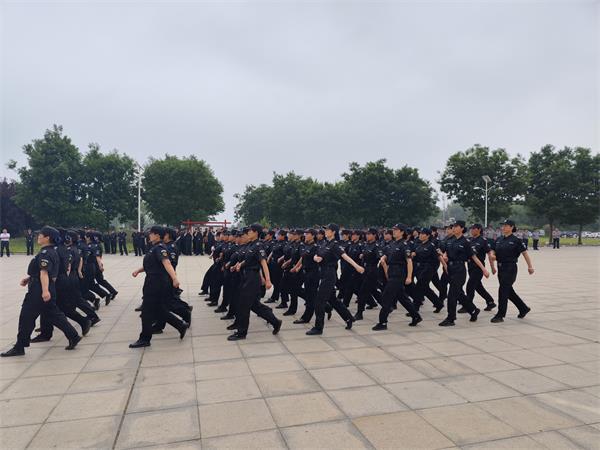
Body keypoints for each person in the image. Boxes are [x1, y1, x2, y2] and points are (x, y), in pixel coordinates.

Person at [1, 226, 81, 357]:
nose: (38, 237)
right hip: (45, 286)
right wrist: (29, 278)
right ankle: (73, 335)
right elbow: (45, 272)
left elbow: (44, 273)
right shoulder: (51, 251)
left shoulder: (45, 253)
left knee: (26, 316)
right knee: (54, 314)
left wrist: (44, 291)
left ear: (47, 238)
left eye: (41, 235)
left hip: (39, 290)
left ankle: (20, 347)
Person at [129, 226, 189, 348]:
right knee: (158, 309)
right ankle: (180, 325)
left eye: (151, 233)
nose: (149, 235)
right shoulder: (154, 248)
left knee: (146, 311)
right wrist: (138, 270)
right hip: (153, 281)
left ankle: (145, 338)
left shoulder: (160, 248)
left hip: (156, 283)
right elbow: (152, 264)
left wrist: (174, 278)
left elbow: (167, 263)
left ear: (157, 235)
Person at [226, 224, 282, 341]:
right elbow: (248, 260)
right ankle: (275, 321)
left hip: (252, 278)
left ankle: (241, 333)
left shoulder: (258, 245)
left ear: (256, 232)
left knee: (243, 305)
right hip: (245, 276)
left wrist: (268, 280)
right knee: (254, 305)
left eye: (250, 231)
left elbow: (263, 263)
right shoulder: (250, 245)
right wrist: (238, 265)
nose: (248, 233)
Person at [306, 223, 364, 336]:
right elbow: (317, 255)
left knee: (319, 302)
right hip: (322, 273)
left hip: (329, 274)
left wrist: (357, 266)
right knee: (333, 300)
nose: (325, 231)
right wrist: (315, 258)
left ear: (333, 232)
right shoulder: (324, 243)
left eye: (327, 230)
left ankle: (318, 328)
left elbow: (345, 256)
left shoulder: (335, 245)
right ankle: (349, 318)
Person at [372, 224, 422, 330]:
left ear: (402, 232)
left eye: (396, 230)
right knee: (402, 297)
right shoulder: (393, 244)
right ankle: (416, 316)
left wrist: (409, 277)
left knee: (386, 297)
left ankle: (383, 322)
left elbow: (409, 261)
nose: (394, 231)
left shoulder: (404, 245)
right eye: (393, 230)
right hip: (391, 272)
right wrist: (383, 258)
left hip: (399, 274)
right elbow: (386, 254)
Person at [438, 220, 486, 327]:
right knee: (459, 294)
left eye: (456, 226)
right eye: (453, 227)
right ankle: (473, 310)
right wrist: (444, 257)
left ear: (462, 229)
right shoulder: (450, 241)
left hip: (459, 270)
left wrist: (484, 269)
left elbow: (473, 257)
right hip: (450, 269)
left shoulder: (466, 242)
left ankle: (451, 318)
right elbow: (445, 253)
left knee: (452, 295)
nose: (454, 228)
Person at [489, 219, 534, 323]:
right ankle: (523, 308)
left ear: (512, 227)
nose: (503, 227)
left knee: (503, 290)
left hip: (510, 268)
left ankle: (500, 315)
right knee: (508, 291)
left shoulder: (516, 240)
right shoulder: (499, 239)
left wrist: (530, 266)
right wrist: (492, 255)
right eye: (503, 225)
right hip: (500, 267)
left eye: (506, 225)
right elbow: (493, 249)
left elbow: (524, 253)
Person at [464, 224, 496, 312]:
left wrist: (492, 267)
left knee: (470, 285)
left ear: (479, 230)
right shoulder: (469, 240)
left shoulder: (483, 241)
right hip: (470, 266)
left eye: (473, 229)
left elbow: (489, 254)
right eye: (471, 229)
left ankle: (468, 305)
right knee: (478, 287)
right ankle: (490, 301)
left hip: (478, 267)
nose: (471, 230)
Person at [412, 227, 444, 313]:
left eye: (423, 234)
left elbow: (437, 259)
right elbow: (417, 257)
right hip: (420, 269)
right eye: (420, 233)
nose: (420, 235)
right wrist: (413, 255)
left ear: (428, 236)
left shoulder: (431, 246)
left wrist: (432, 270)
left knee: (418, 287)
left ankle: (415, 308)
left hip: (428, 269)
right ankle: (438, 304)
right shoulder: (419, 245)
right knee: (425, 289)